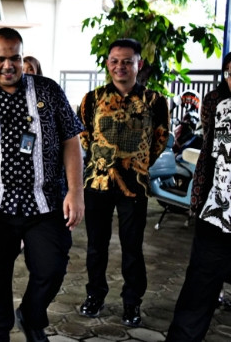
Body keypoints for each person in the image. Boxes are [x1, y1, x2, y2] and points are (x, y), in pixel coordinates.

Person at [0, 28, 84, 342]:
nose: (8, 65)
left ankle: (32, 317)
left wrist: (76, 191)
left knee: (52, 268)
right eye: (0, 58)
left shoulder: (48, 90)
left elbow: (71, 140)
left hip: (46, 202)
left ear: (22, 56)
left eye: (14, 58)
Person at [78, 38, 169, 327]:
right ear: (108, 64)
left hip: (135, 185)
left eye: (127, 61)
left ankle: (132, 302)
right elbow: (85, 136)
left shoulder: (154, 100)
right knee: (96, 246)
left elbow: (160, 140)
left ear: (138, 65)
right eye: (115, 61)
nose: (121, 66)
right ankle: (95, 295)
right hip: (97, 184)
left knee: (132, 246)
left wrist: (138, 165)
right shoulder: (91, 99)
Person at [166, 52, 231, 341]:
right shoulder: (222, 106)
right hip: (216, 217)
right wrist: (200, 204)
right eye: (229, 72)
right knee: (196, 296)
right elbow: (211, 158)